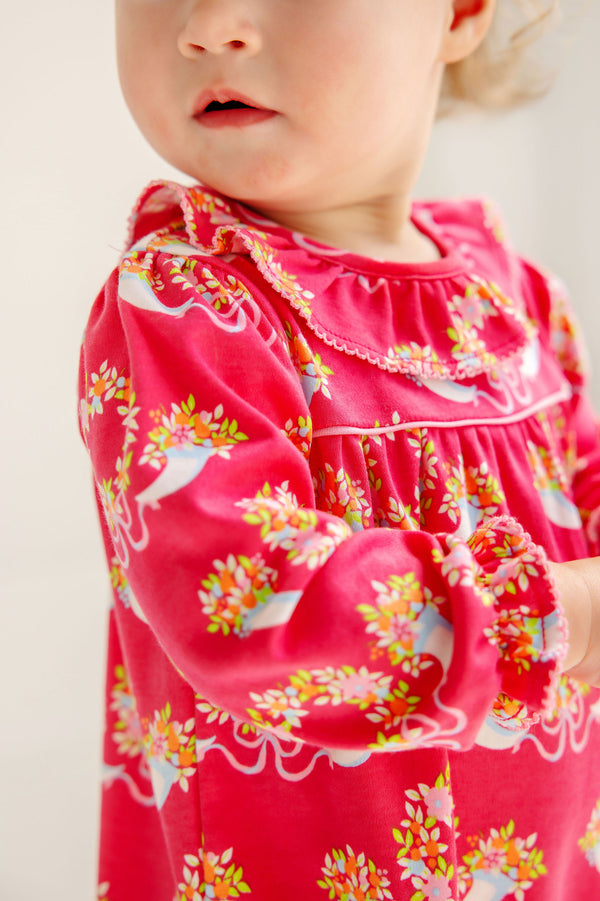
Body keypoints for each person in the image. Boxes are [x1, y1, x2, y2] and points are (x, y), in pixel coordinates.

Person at [80, 1, 600, 899]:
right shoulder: (187, 306)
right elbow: (253, 603)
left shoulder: (514, 298)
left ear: (460, 10)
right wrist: (567, 614)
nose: (208, 25)